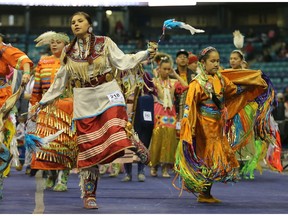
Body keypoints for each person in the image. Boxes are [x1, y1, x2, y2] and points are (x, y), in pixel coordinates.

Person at [35, 12, 157, 209]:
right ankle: (89, 195)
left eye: (80, 21)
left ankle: (131, 142)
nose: (75, 24)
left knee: (115, 123)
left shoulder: (105, 42)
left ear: (89, 24)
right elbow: (60, 80)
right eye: (72, 22)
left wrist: (145, 54)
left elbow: (122, 61)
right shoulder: (68, 51)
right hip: (84, 99)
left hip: (108, 91)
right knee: (88, 149)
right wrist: (43, 101)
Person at [174, 46, 267, 203]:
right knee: (210, 158)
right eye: (212, 61)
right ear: (203, 63)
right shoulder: (197, 83)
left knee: (212, 160)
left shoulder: (220, 79)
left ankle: (205, 194)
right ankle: (204, 193)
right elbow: (189, 107)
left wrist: (251, 83)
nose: (216, 64)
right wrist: (188, 126)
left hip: (218, 126)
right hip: (204, 127)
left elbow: (233, 91)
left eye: (218, 61)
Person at [28, 31, 78, 192]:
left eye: (58, 42)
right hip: (46, 108)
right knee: (46, 145)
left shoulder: (73, 62)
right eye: (52, 42)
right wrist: (34, 106)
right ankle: (50, 175)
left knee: (65, 144)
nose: (54, 44)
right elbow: (36, 88)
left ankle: (63, 178)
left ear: (66, 45)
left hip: (67, 106)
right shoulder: (43, 61)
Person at [0, 32, 33, 200]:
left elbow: (23, 59)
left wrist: (26, 74)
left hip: (1, 101)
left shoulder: (2, 48)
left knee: (1, 143)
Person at [149, 56, 188, 178]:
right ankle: (154, 165)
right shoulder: (154, 81)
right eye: (164, 69)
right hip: (159, 110)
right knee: (157, 137)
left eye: (168, 69)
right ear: (159, 69)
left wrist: (175, 74)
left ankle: (165, 168)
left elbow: (186, 86)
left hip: (171, 113)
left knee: (170, 139)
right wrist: (155, 76)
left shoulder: (173, 82)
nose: (166, 71)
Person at [121, 60, 155, 182]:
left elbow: (152, 93)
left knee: (142, 140)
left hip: (141, 113)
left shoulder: (145, 76)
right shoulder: (122, 75)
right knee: (126, 141)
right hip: (125, 111)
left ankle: (141, 170)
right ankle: (128, 172)